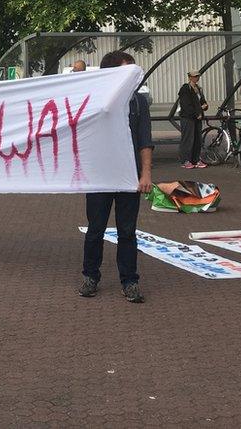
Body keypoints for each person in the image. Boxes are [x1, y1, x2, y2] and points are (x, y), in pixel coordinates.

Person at [79, 51, 153, 303]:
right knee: (95, 229)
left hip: (128, 177)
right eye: (126, 71)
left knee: (127, 231)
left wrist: (145, 174)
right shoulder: (94, 100)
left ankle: (130, 280)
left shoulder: (138, 103)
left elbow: (145, 141)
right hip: (100, 176)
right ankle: (90, 276)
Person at [177, 70, 208, 169]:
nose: (196, 78)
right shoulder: (185, 88)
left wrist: (205, 106)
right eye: (194, 76)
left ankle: (195, 159)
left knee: (197, 139)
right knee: (188, 139)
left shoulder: (199, 89)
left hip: (197, 117)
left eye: (198, 76)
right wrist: (197, 111)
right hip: (188, 117)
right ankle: (185, 160)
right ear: (190, 77)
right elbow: (186, 105)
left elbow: (202, 102)